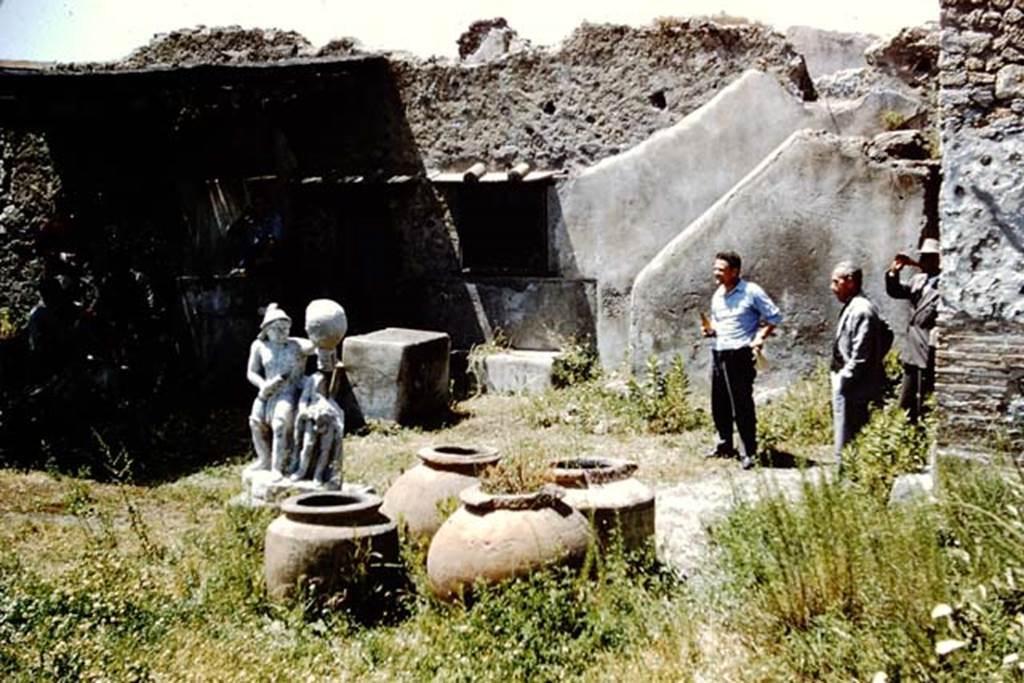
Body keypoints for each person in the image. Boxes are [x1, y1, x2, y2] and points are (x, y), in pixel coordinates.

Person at [702, 251, 782, 470]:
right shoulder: (718, 295)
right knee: (719, 403)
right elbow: (719, 325)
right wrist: (710, 331)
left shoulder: (751, 291)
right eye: (715, 268)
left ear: (735, 271)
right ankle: (725, 445)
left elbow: (774, 316)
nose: (716, 272)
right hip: (719, 352)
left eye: (721, 269)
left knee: (741, 405)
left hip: (739, 354)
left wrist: (760, 337)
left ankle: (748, 452)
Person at [830, 261, 888, 466]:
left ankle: (847, 474)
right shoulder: (853, 306)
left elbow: (861, 355)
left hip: (854, 384)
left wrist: (845, 378)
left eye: (835, 282)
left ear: (850, 282)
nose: (832, 287)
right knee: (845, 429)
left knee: (848, 433)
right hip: (848, 380)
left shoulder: (862, 310)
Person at [246, 304, 313, 477]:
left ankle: (278, 467)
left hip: (288, 392)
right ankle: (264, 459)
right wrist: (262, 385)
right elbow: (251, 372)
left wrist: (318, 335)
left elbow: (316, 345)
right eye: (277, 328)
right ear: (267, 330)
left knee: (280, 425)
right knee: (255, 422)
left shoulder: (295, 345)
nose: (283, 332)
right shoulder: (259, 346)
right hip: (267, 391)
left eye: (286, 328)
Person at [885, 238, 941, 423]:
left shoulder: (944, 285)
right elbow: (896, 292)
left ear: (938, 260)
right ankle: (906, 426)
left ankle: (923, 426)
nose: (924, 261)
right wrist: (894, 272)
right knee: (908, 395)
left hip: (929, 348)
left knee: (926, 394)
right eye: (923, 257)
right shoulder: (919, 280)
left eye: (929, 257)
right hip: (912, 346)